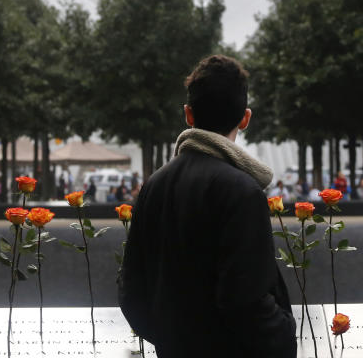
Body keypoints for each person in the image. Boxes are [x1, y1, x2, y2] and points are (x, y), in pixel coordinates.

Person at [120, 55, 295, 358]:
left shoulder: (153, 187)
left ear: (188, 114)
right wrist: (283, 335)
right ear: (245, 118)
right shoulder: (242, 191)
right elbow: (246, 299)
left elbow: (131, 289)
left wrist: (170, 337)